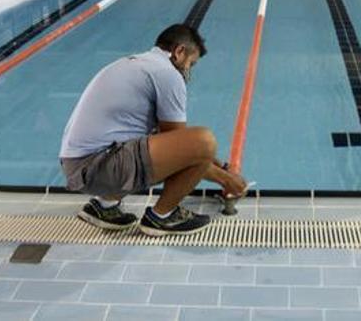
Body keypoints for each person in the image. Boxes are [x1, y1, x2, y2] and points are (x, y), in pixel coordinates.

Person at [59, 24, 248, 236]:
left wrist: (223, 166)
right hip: (96, 168)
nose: (188, 71)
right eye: (190, 64)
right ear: (179, 51)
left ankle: (103, 206)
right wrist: (227, 180)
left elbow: (171, 141)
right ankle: (162, 216)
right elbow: (186, 149)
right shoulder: (167, 74)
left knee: (169, 142)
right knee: (204, 140)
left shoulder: (136, 63)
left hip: (78, 166)